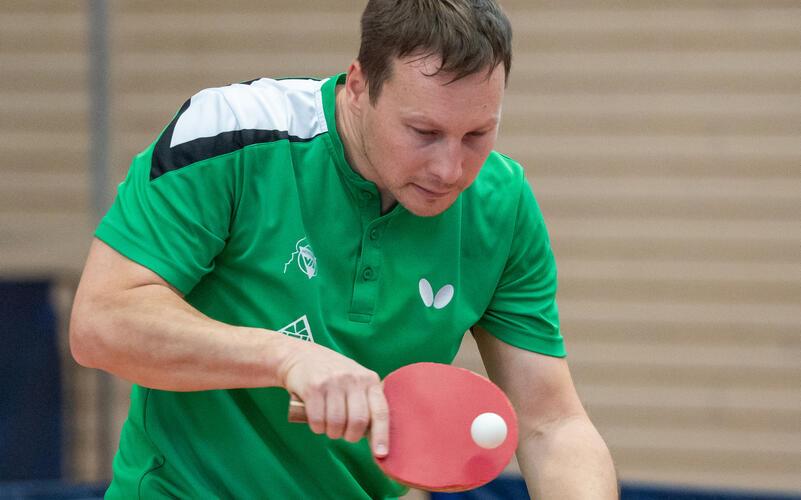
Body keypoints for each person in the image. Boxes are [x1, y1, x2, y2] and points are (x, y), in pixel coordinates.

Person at [70, 0, 618, 498]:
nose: (450, 169)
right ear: (358, 85)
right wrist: (285, 357)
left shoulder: (502, 205)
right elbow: (101, 322)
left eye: (477, 135)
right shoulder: (231, 133)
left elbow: (552, 424)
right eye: (423, 132)